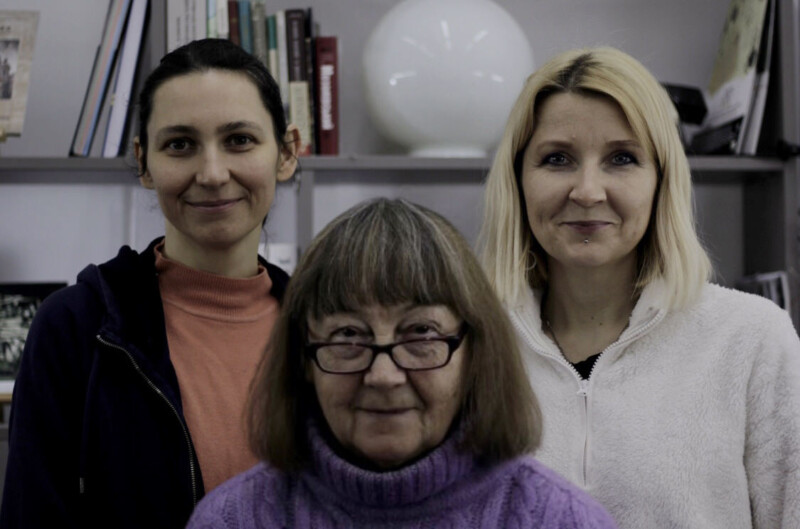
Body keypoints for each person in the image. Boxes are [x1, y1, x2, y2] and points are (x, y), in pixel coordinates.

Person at [479, 46, 800, 528]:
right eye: (558, 158)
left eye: (622, 158)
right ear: (518, 178)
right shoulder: (470, 346)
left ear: (662, 181)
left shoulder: (752, 339)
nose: (587, 191)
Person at [0, 38, 299, 529]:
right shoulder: (76, 327)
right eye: (180, 144)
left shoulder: (325, 322)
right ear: (143, 162)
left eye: (239, 140)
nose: (212, 173)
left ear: (286, 152)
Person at [186, 198, 618, 528]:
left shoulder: (559, 520)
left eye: (421, 334)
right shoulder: (234, 520)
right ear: (303, 360)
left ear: (474, 355)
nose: (384, 376)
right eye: (348, 336)